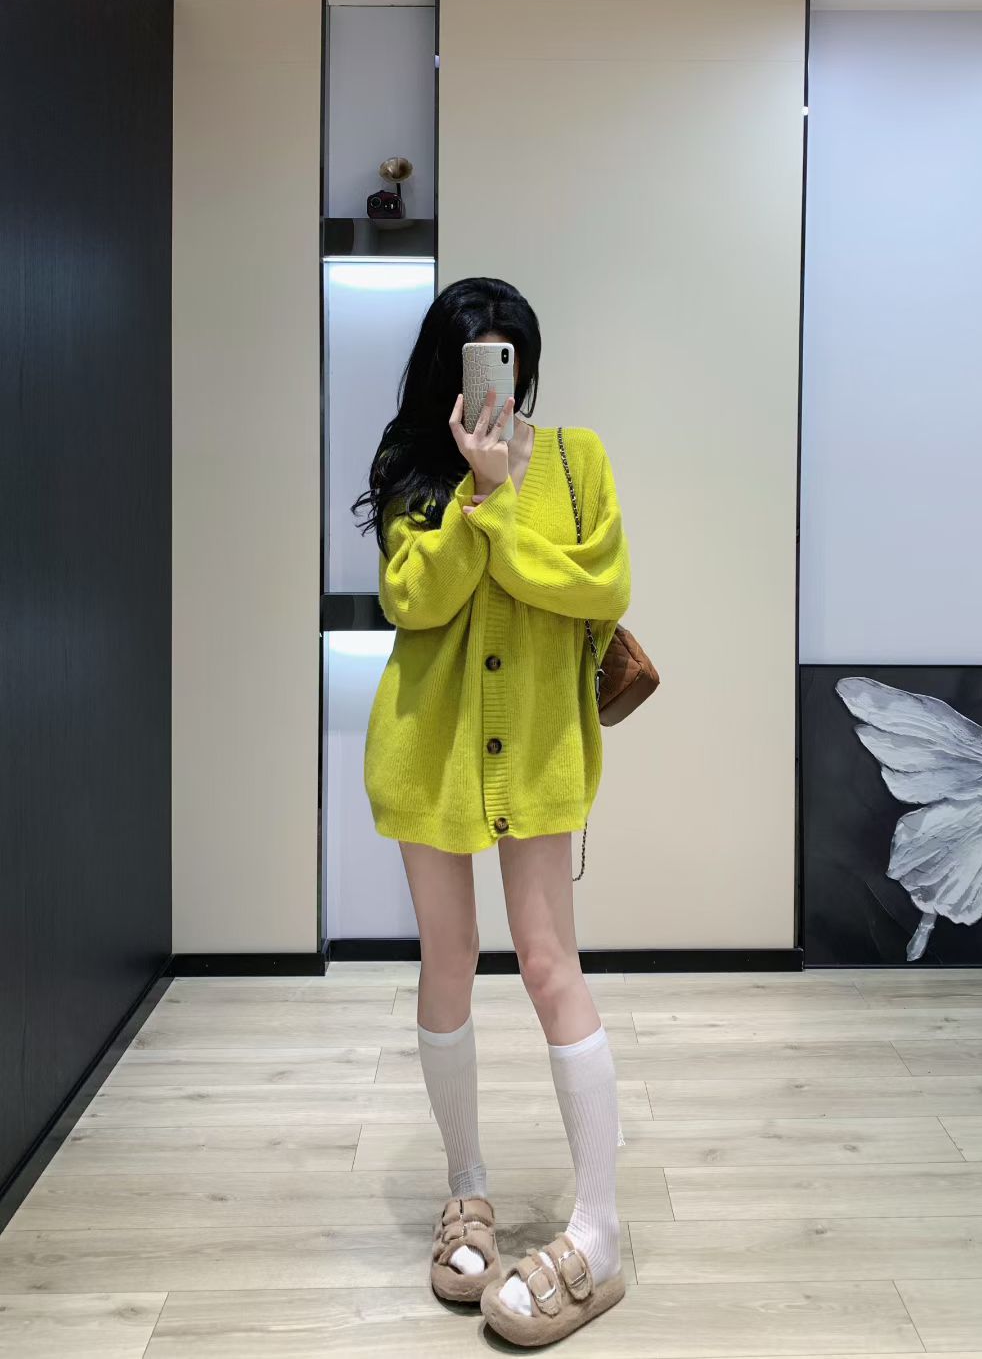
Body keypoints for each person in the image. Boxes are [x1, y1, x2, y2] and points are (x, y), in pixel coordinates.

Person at [355, 276, 631, 1345]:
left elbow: (599, 586)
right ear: (448, 370)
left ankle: (599, 1227)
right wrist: (473, 490)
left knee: (550, 962)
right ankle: (466, 1189)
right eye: (479, 358)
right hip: (429, 751)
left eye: (512, 357)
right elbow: (415, 598)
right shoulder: (412, 471)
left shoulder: (576, 458)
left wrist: (500, 501)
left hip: (541, 752)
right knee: (450, 955)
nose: (497, 381)